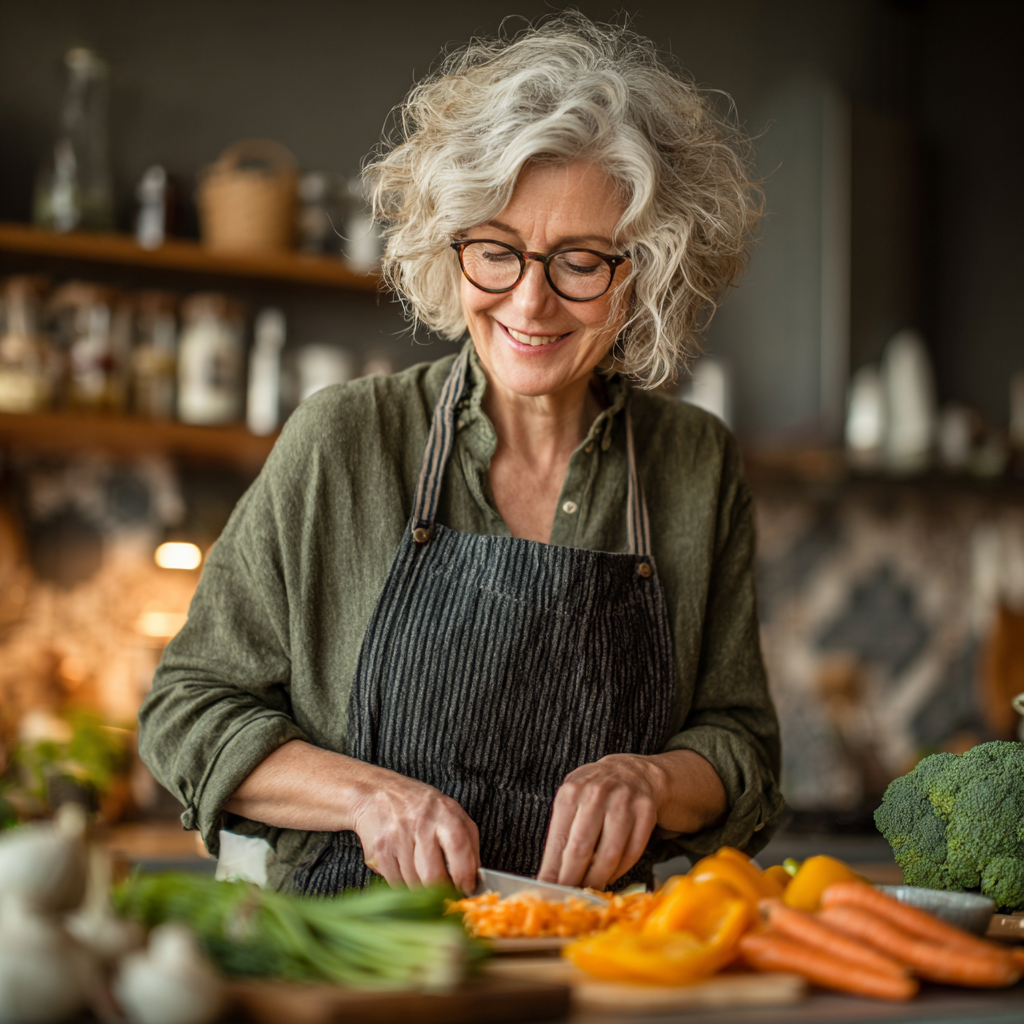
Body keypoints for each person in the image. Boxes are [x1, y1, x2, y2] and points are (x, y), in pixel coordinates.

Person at [139, 13, 783, 896]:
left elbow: (741, 746)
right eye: (497, 252)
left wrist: (654, 778)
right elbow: (187, 713)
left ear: (650, 273)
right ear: (453, 249)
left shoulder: (694, 465)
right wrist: (367, 797)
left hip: (601, 964)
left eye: (582, 262)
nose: (530, 303)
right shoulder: (344, 441)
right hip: (359, 956)